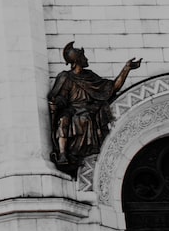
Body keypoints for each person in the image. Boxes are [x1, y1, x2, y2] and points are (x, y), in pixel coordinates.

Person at [49, 42, 140, 173]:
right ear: (77, 60)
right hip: (72, 109)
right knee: (63, 120)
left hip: (88, 109)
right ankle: (63, 153)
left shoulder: (90, 76)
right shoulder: (66, 77)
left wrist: (126, 69)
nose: (87, 59)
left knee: (85, 117)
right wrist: (56, 102)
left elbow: (113, 88)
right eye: (83, 57)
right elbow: (61, 97)